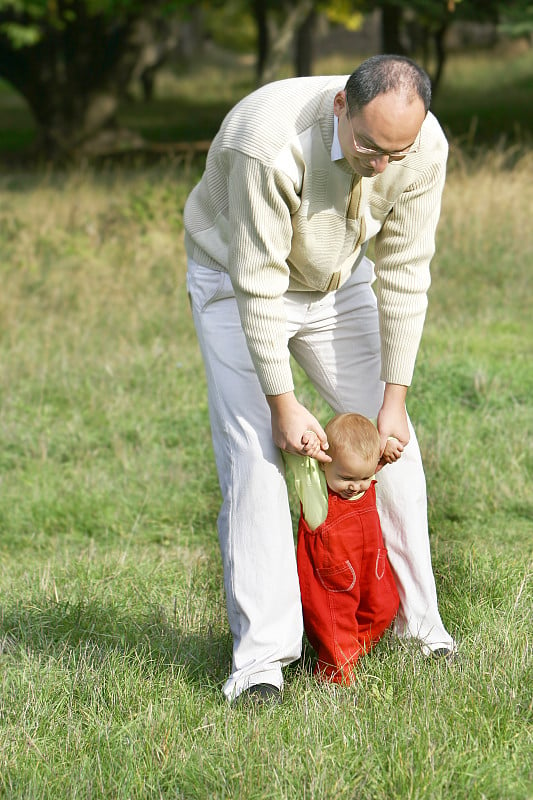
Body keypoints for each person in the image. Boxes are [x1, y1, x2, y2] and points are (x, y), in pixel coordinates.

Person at [184, 54, 456, 705]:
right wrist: (283, 406)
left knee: (394, 443)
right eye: (368, 145)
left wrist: (393, 401)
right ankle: (262, 663)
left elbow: (405, 270)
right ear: (341, 105)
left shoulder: (420, 147)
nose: (381, 164)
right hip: (237, 283)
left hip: (339, 280)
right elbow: (257, 283)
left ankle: (420, 630)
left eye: (398, 150)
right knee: (258, 456)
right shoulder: (266, 144)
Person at [285, 414, 403, 685]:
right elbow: (299, 461)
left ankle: (349, 652)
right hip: (331, 580)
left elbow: (368, 465)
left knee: (384, 608)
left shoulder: (363, 476)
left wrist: (386, 451)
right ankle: (335, 675)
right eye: (346, 477)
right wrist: (308, 446)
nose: (356, 486)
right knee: (335, 626)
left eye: (365, 477)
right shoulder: (318, 492)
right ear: (325, 463)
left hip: (370, 569)